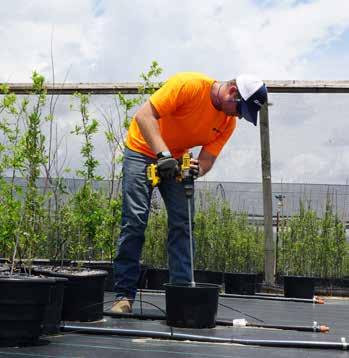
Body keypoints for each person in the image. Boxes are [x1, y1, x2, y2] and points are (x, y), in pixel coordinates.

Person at [111, 72, 268, 313]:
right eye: (239, 109)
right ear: (232, 91)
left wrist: (196, 169)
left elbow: (207, 159)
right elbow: (144, 116)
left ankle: (181, 296)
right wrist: (163, 155)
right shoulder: (188, 85)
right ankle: (124, 296)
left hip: (175, 159)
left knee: (183, 225)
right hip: (142, 149)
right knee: (135, 221)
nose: (238, 115)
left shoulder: (228, 122)